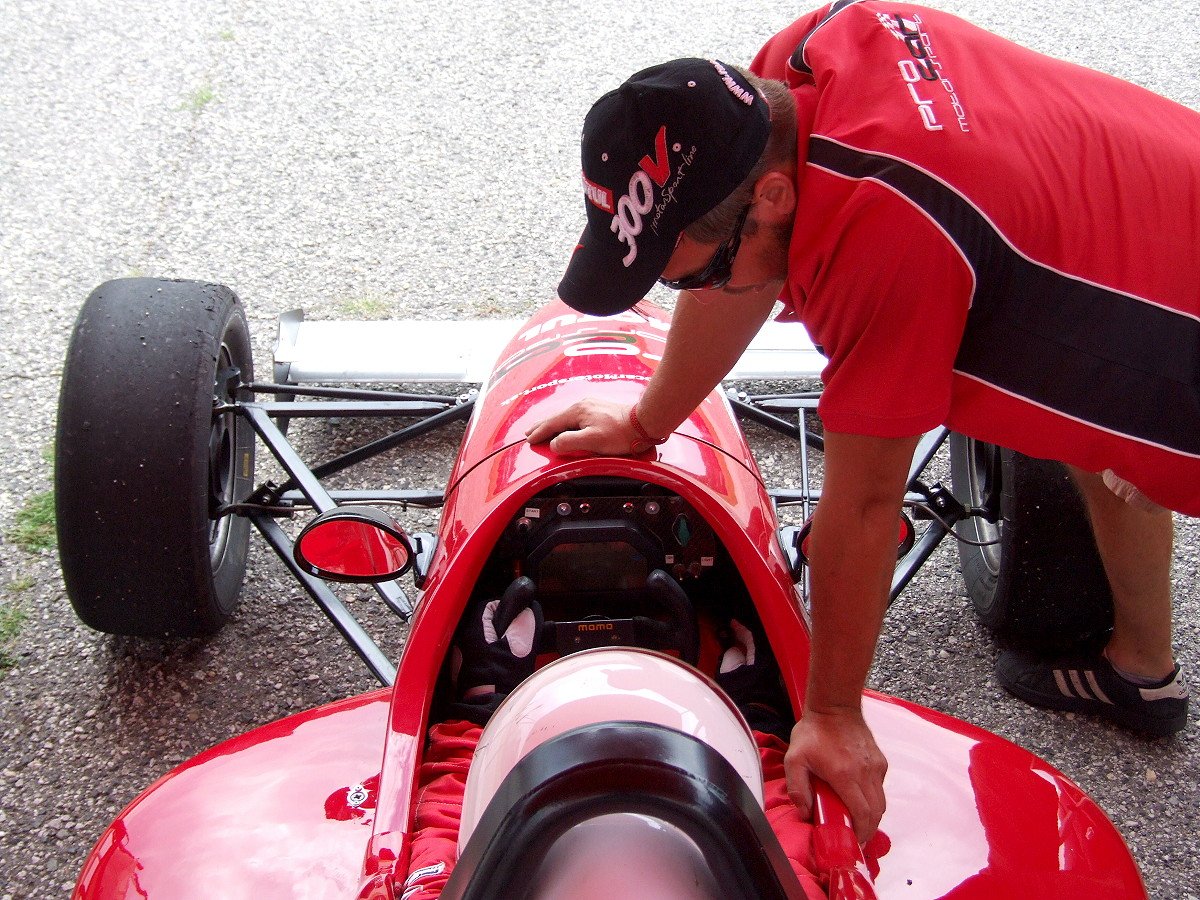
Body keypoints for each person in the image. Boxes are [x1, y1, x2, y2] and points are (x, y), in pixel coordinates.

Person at [525, 2, 1199, 844]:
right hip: (1152, 200)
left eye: (690, 274)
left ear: (774, 197)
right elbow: (744, 273)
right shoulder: (792, 70)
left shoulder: (888, 233)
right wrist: (646, 422)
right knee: (1098, 437)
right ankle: (1141, 672)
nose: (692, 291)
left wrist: (834, 715)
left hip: (1173, 312)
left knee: (1126, 426)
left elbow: (867, 503)